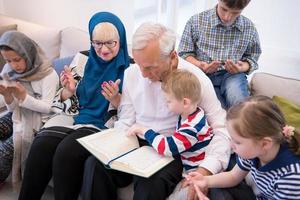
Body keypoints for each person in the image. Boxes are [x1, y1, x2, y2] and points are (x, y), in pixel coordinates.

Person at [83, 22, 231, 200]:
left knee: (150, 183)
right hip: (136, 142)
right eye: (139, 65)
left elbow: (222, 129)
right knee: (94, 165)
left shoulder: (196, 79)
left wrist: (206, 169)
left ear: (172, 56)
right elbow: (126, 119)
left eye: (150, 67)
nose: (143, 74)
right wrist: (112, 145)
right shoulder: (132, 73)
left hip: (172, 149)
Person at [18, 11, 130, 200]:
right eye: (98, 43)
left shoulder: (130, 69)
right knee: (41, 145)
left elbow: (131, 115)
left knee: (66, 153)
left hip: (103, 126)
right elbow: (62, 102)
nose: (103, 50)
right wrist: (67, 91)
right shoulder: (82, 58)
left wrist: (117, 101)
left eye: (110, 43)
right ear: (92, 42)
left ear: (121, 40)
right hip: (74, 117)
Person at [187, 96, 300, 200]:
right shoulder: (253, 152)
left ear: (265, 143)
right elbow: (233, 177)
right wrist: (206, 180)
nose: (231, 145)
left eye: (238, 142)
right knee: (215, 187)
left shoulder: (291, 177)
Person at [178, 0, 261, 109]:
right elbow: (184, 53)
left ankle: (246, 123)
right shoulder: (196, 21)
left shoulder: (249, 28)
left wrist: (241, 67)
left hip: (233, 76)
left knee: (240, 104)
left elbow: (252, 58)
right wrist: (200, 65)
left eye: (235, 13)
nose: (227, 17)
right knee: (218, 111)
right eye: (224, 9)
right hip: (204, 76)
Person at [0, 30, 59, 184]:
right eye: (8, 60)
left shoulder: (48, 74)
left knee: (8, 148)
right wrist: (7, 96)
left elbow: (48, 108)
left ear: (27, 53)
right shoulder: (8, 71)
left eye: (17, 59)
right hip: (18, 114)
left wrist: (23, 96)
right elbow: (12, 109)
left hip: (38, 120)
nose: (13, 65)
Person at [127, 69, 213, 172]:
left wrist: (143, 130)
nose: (166, 104)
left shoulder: (191, 127)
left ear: (185, 102)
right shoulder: (195, 113)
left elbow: (166, 147)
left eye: (169, 101)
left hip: (196, 171)